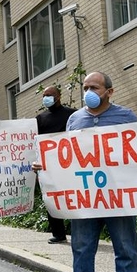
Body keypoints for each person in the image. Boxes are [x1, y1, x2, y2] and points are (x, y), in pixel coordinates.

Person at [33, 72, 137, 272]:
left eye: (94, 87)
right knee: (81, 248)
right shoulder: (75, 119)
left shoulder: (125, 116)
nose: (88, 91)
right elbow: (66, 153)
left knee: (125, 249)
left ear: (109, 92)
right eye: (85, 87)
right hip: (85, 199)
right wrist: (45, 164)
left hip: (118, 198)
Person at [35, 85, 76, 244]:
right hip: (48, 166)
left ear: (58, 96)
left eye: (50, 95)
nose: (46, 97)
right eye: (44, 95)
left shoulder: (72, 114)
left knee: (72, 197)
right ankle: (58, 233)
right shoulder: (41, 119)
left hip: (70, 163)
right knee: (52, 197)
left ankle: (77, 231)